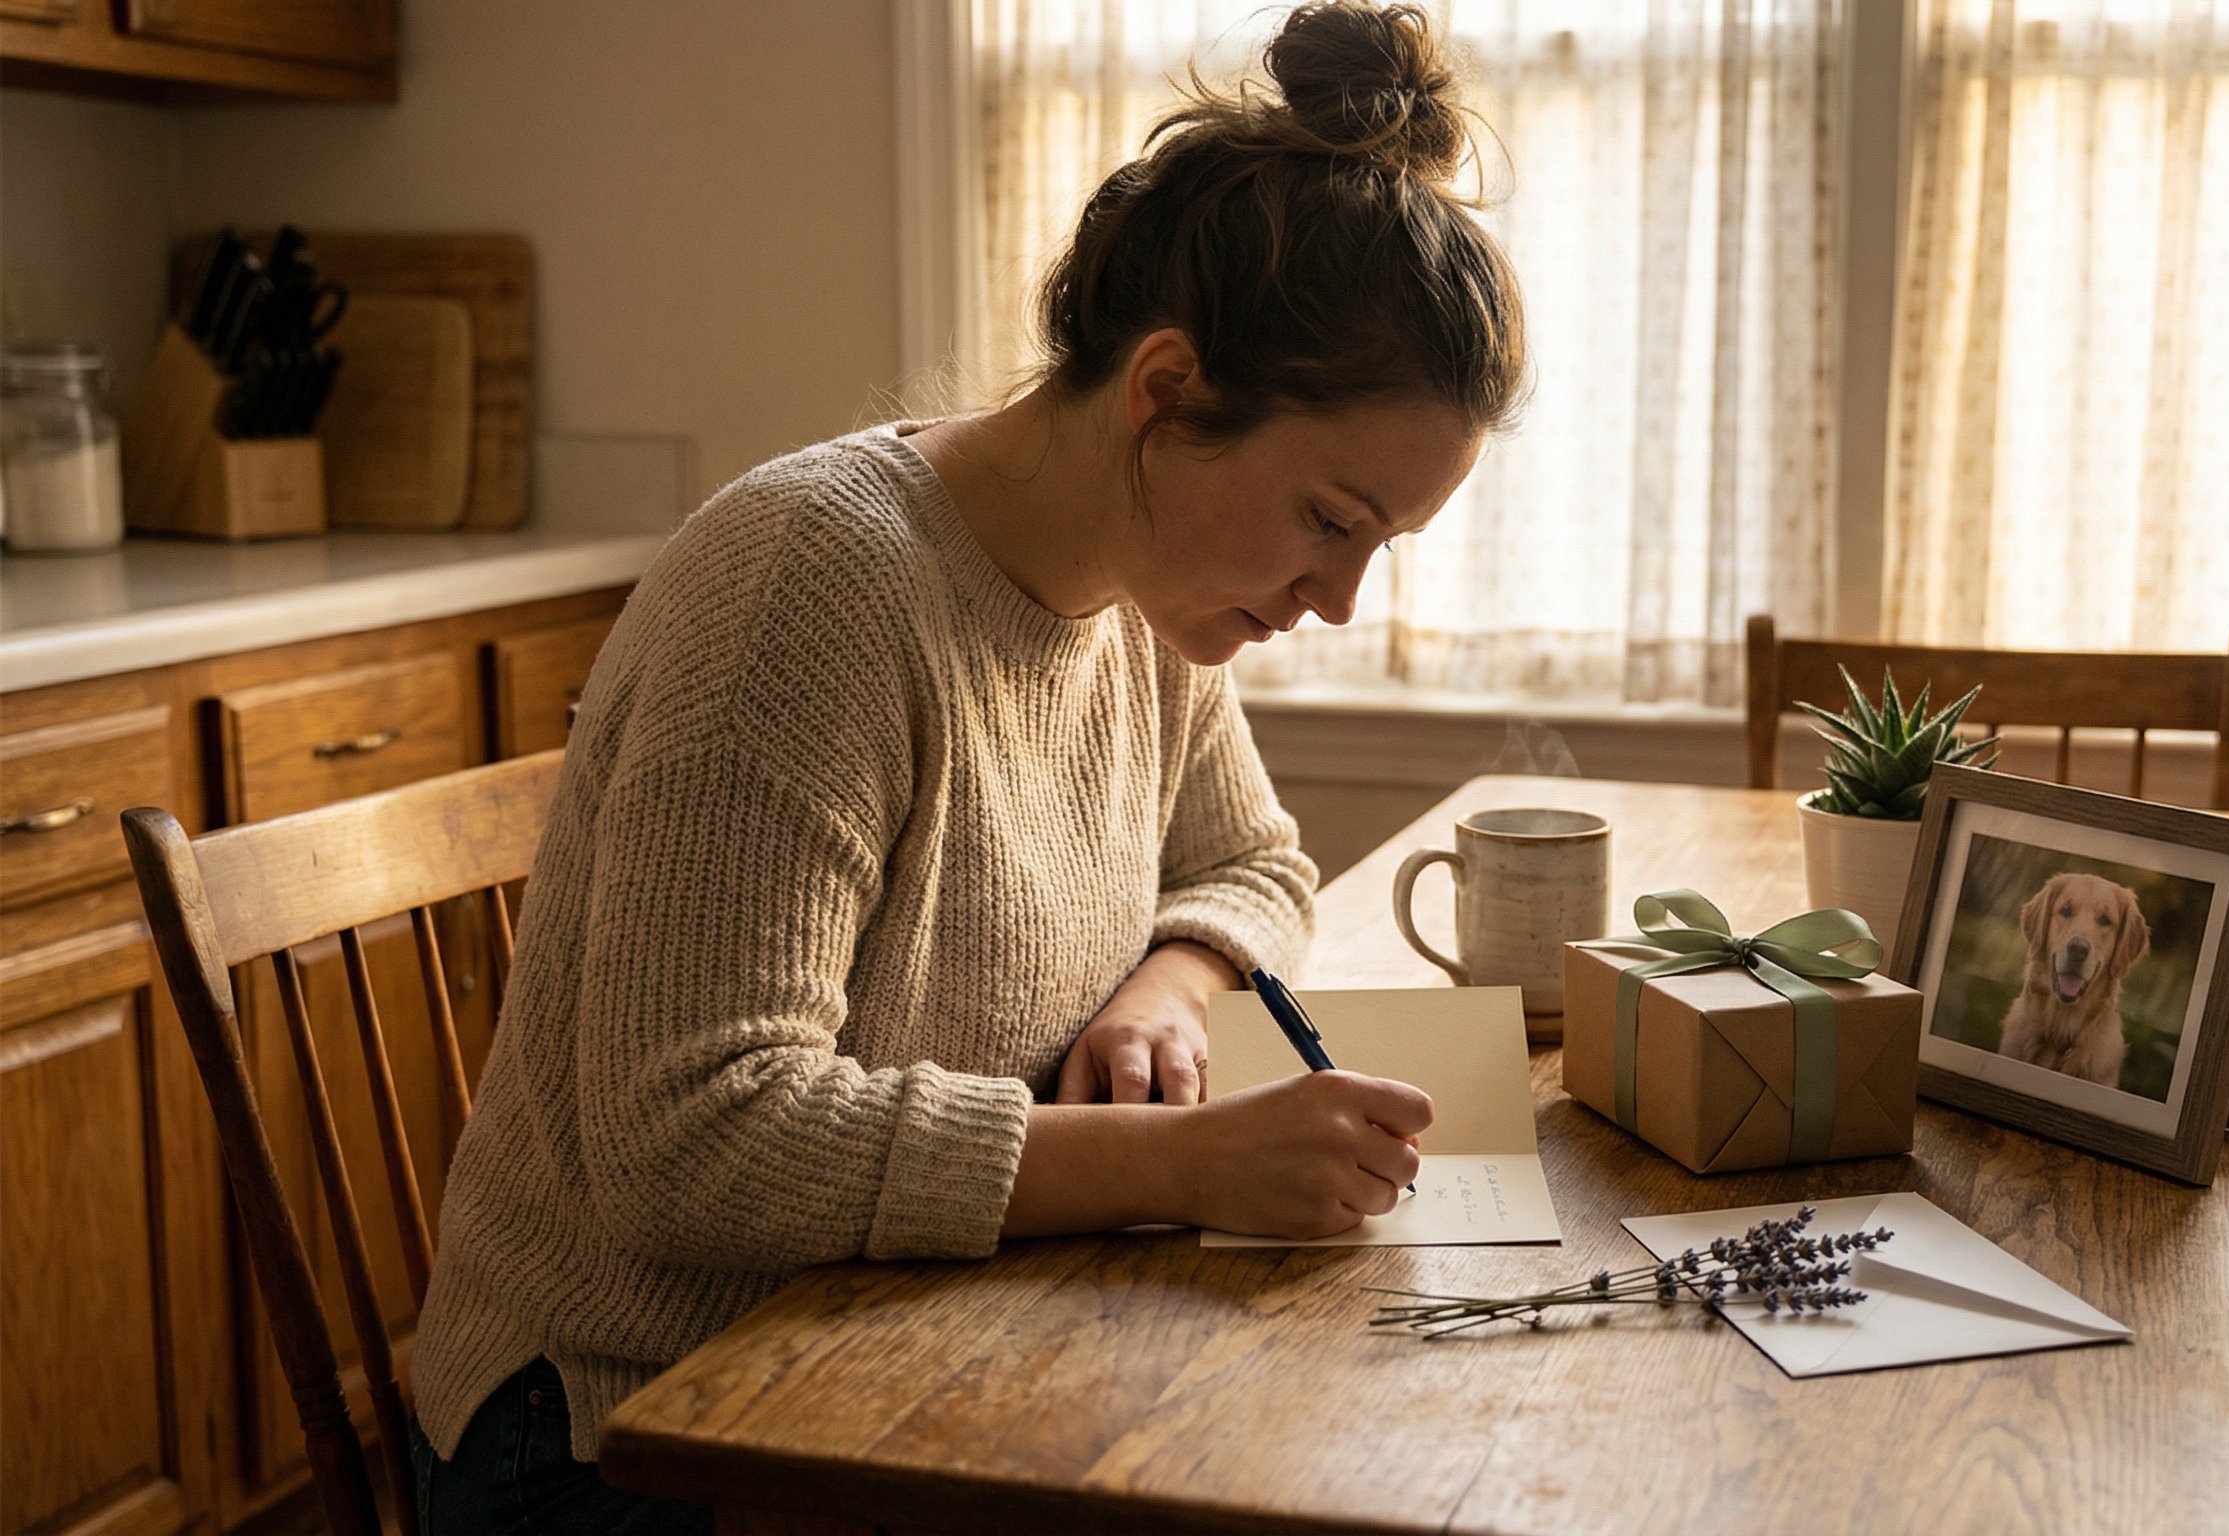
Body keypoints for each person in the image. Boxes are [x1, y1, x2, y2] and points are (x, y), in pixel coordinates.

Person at [403, 3, 1526, 1532]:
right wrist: (1176, 1164)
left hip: (925, 1337)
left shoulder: (1145, 598)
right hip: (630, 1424)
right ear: (1167, 392)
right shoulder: (811, 586)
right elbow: (694, 1144)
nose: (1339, 599)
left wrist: (1167, 983)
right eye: (1331, 519)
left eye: (1376, 544)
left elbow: (1252, 862)